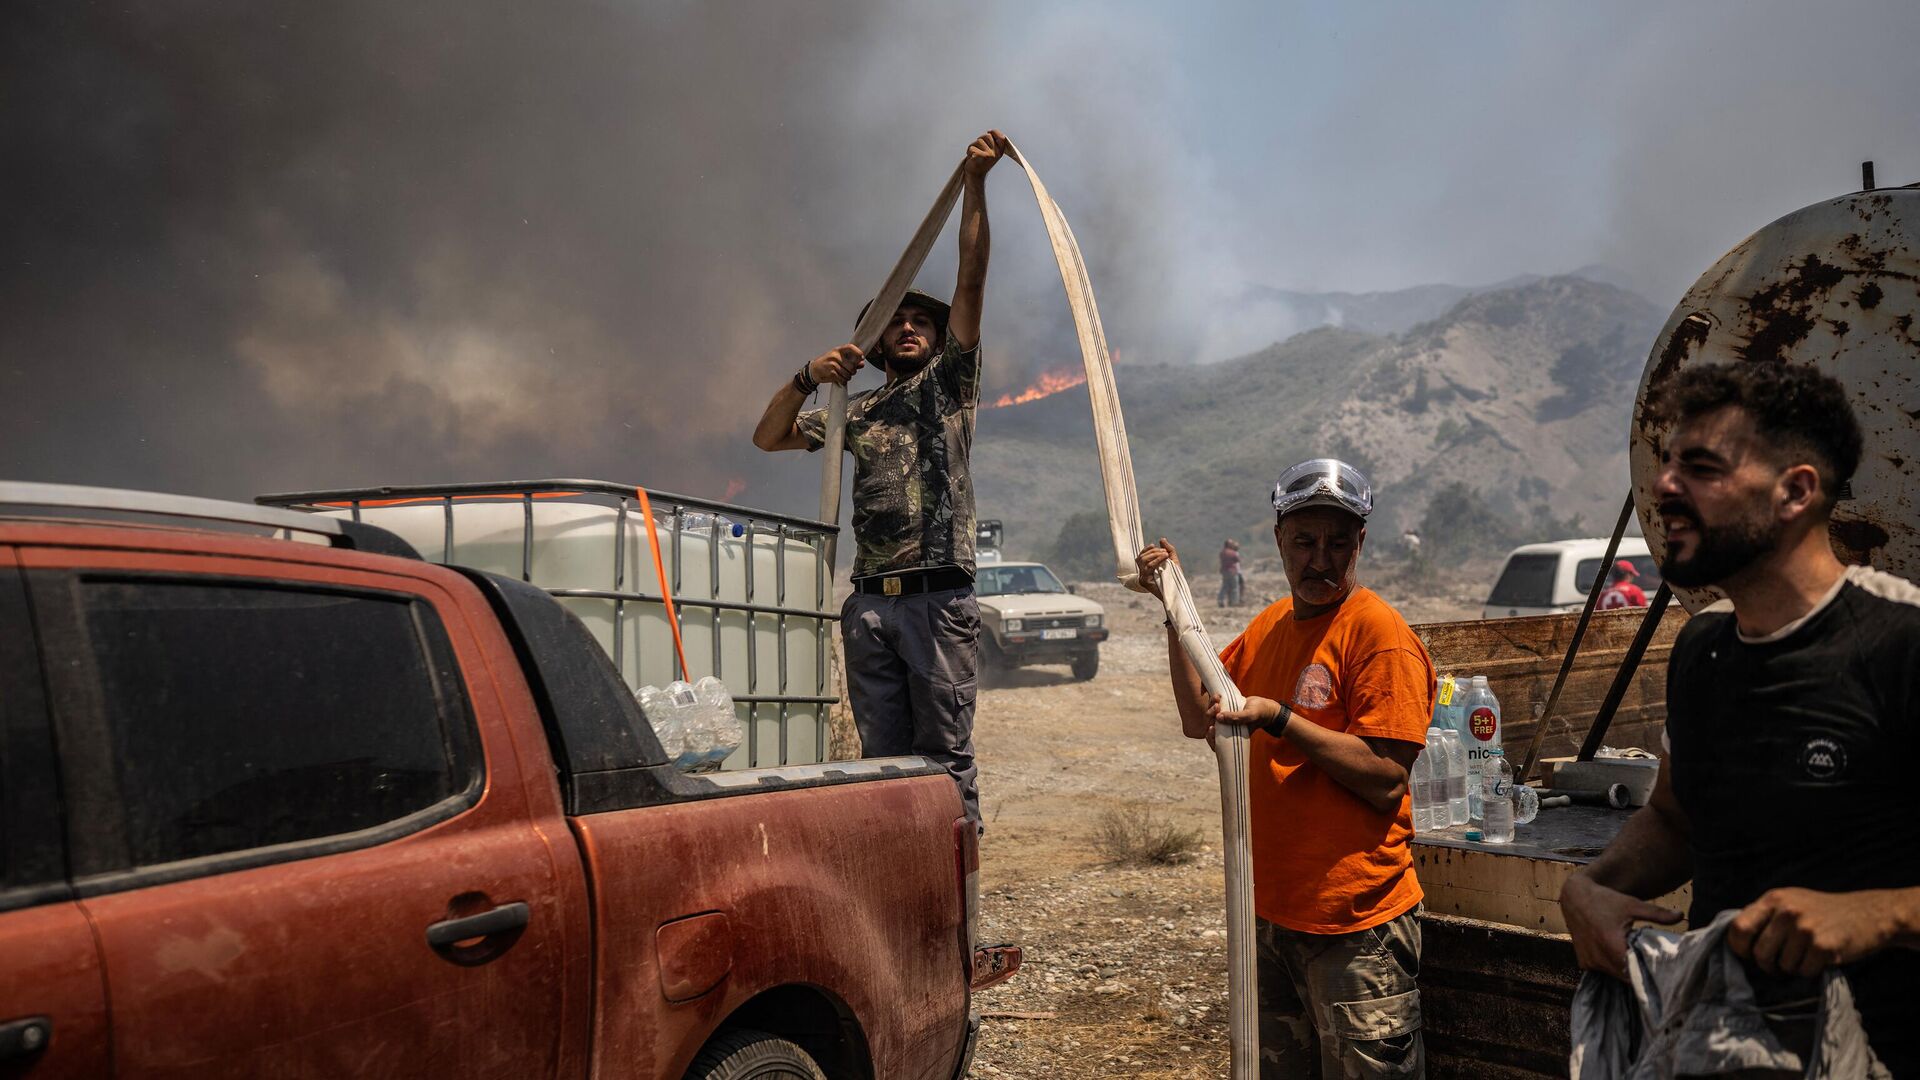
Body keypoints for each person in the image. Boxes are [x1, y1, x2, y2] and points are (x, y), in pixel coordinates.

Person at [1559, 362, 1919, 1073]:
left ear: (1796, 491)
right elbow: (1673, 821)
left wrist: (1877, 914)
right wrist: (1591, 888)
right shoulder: (1702, 649)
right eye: (1666, 464)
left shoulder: (1899, 644)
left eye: (1701, 467)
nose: (1663, 487)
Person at [1137, 458, 1432, 1079]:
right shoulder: (1269, 625)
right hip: (1270, 916)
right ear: (1278, 541)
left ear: (1360, 544)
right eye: (1304, 542)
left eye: (1337, 543)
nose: (1319, 560)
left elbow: (1385, 779)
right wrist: (1173, 607)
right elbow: (1199, 715)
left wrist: (1281, 721)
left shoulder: (1379, 636)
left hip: (1355, 926)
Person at [752, 130, 1011, 829]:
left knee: (946, 756)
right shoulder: (853, 412)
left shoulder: (950, 387)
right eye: (892, 320)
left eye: (919, 320)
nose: (907, 327)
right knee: (882, 762)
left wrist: (975, 185)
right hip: (871, 606)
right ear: (869, 345)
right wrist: (809, 376)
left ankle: (959, 891)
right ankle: (902, 883)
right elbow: (769, 435)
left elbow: (971, 277)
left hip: (937, 601)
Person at [1218, 537, 1243, 606]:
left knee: (1224, 586)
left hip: (1224, 571)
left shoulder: (1222, 553)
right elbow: (1238, 560)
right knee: (1234, 587)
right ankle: (1234, 602)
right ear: (1229, 545)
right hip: (1232, 571)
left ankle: (1221, 600)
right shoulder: (1233, 553)